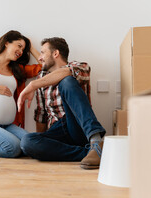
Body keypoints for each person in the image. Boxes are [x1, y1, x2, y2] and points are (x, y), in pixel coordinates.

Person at [0, 31, 70, 158]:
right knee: (13, 148)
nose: (21, 51)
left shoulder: (17, 69)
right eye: (19, 46)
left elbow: (44, 66)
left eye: (23, 48)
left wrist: (30, 47)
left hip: (8, 126)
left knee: (32, 144)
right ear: (6, 43)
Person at [18, 37, 106, 169]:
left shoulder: (79, 67)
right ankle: (89, 153)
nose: (40, 57)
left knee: (66, 81)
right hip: (57, 130)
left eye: (43, 52)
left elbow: (65, 72)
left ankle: (96, 142)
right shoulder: (42, 78)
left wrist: (32, 86)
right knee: (27, 142)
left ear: (55, 53)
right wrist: (41, 141)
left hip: (77, 125)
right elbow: (41, 115)